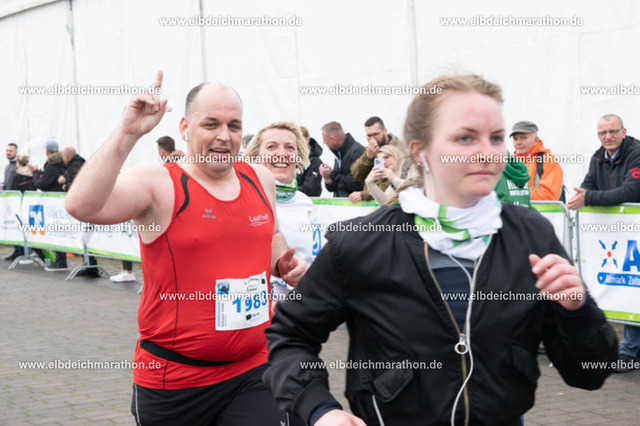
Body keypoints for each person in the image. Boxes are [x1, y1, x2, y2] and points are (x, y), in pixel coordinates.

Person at [263, 74, 618, 425]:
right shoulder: (362, 241)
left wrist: (578, 311)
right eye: (465, 138)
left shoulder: (530, 234)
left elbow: (588, 373)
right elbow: (290, 335)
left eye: (496, 138)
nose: (487, 151)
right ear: (420, 151)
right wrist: (320, 410)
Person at [65, 71, 306, 425]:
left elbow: (269, 234)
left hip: (253, 370)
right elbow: (81, 205)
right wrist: (128, 133)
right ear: (184, 127)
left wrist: (283, 264)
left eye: (234, 126)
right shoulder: (158, 183)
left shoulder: (261, 178)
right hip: (175, 381)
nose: (224, 136)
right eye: (211, 124)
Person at [568, 113, 640, 373]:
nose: (608, 136)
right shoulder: (598, 156)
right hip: (617, 237)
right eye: (603, 132)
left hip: (634, 233)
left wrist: (589, 199)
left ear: (623, 131)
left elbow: (632, 191)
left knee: (633, 285)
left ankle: (630, 350)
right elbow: (586, 187)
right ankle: (630, 349)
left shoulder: (636, 153)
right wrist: (585, 196)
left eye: (613, 131)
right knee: (627, 284)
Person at [244, 121, 317, 304]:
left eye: (290, 147)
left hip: (299, 309)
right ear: (255, 157)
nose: (282, 154)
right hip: (255, 311)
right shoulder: (240, 198)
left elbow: (315, 259)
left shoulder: (305, 203)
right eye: (271, 147)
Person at [350, 116, 408, 203]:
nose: (373, 139)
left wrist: (364, 195)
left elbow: (392, 184)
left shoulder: (399, 150)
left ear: (385, 131)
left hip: (393, 202)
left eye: (375, 134)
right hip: (378, 202)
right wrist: (368, 157)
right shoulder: (372, 148)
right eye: (369, 136)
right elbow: (356, 175)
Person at [34, 139, 68, 271]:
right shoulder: (64, 162)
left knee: (58, 232)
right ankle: (62, 261)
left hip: (54, 204)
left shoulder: (52, 165)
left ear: (47, 151)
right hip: (63, 201)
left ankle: (61, 262)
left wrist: (36, 174)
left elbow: (42, 185)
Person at [511, 121, 565, 201]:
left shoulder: (548, 160)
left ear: (536, 140)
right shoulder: (510, 163)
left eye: (523, 138)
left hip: (541, 210)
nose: (518, 142)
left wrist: (515, 192)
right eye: (515, 139)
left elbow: (549, 196)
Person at [318, 122, 365, 198]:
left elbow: (357, 183)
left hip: (354, 203)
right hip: (341, 203)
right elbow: (337, 186)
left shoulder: (358, 152)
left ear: (333, 140)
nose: (323, 142)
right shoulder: (339, 153)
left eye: (325, 139)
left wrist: (332, 174)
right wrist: (328, 179)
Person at [4, 143, 22, 261]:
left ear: (16, 152)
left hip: (18, 201)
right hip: (10, 201)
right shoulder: (7, 167)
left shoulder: (18, 166)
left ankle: (21, 251)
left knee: (19, 226)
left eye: (11, 151)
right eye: (7, 150)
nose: (8, 152)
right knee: (13, 227)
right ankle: (17, 250)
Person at [296, 126, 323, 197]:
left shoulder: (315, 162)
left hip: (306, 201)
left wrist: (285, 190)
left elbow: (309, 189)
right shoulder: (290, 160)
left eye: (299, 139)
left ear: (307, 140)